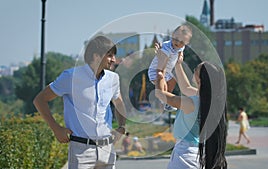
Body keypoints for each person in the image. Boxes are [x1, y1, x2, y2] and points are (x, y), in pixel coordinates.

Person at [33, 35, 127, 169]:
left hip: (107, 150)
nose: (114, 60)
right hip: (82, 151)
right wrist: (56, 129)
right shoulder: (70, 77)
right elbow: (40, 100)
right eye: (110, 55)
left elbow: (119, 103)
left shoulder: (113, 79)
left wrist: (122, 127)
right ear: (96, 56)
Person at [155, 43, 227, 169]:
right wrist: (177, 64)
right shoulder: (209, 100)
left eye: (195, 70)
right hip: (198, 154)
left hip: (184, 155)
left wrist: (160, 68)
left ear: (200, 80)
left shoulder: (191, 103)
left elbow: (160, 94)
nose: (193, 71)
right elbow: (185, 87)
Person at [148, 24, 192, 112]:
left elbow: (181, 50)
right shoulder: (166, 47)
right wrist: (160, 73)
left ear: (186, 43)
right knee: (161, 79)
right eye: (176, 39)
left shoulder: (181, 47)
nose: (178, 43)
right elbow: (161, 63)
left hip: (168, 72)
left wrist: (181, 56)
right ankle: (163, 97)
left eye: (182, 42)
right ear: (172, 35)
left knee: (173, 80)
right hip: (157, 70)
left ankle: (167, 100)